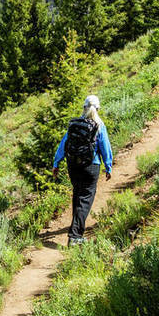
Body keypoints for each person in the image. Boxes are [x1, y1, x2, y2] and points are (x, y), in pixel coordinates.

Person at [52, 94, 113, 246]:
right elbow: (105, 147)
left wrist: (56, 163)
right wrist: (108, 166)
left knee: (78, 195)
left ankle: (75, 230)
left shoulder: (75, 124)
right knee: (85, 199)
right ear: (98, 109)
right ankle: (75, 236)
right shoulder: (99, 125)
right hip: (90, 166)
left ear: (84, 107)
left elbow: (63, 144)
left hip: (73, 165)